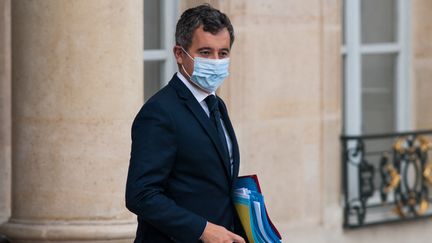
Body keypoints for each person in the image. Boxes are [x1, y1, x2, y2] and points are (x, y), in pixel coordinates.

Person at [126, 4, 247, 243]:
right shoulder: (159, 112)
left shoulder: (216, 105)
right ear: (180, 54)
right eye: (205, 52)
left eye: (223, 53)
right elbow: (141, 195)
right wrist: (202, 229)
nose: (216, 61)